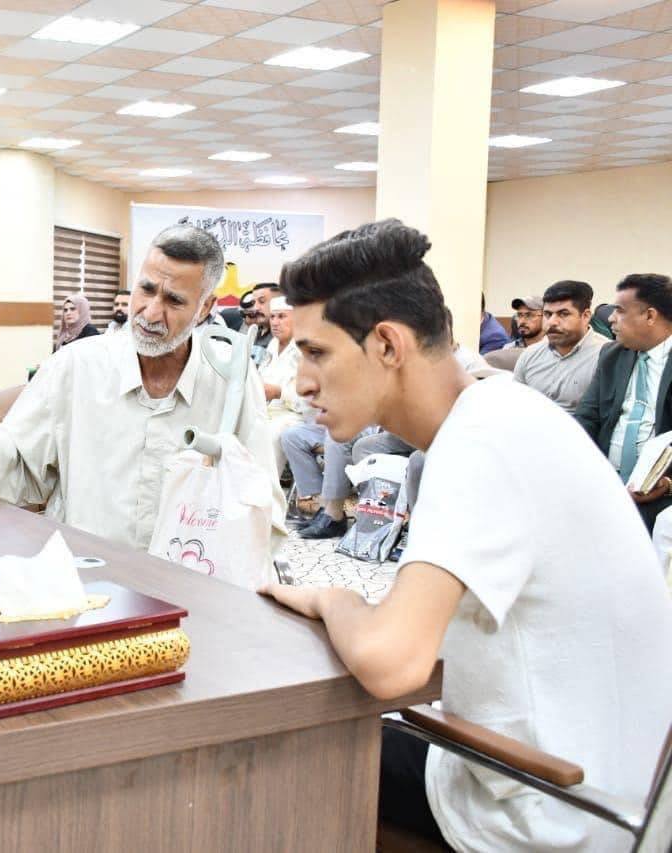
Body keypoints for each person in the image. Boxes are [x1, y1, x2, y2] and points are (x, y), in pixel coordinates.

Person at [259, 219, 672, 852]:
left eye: (316, 353)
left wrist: (332, 598)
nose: (302, 383)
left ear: (388, 344)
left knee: (279, 752)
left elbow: (391, 663)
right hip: (607, 788)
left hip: (560, 813)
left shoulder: (480, 445)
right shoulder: (505, 412)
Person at [0, 224, 286, 553]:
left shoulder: (230, 381)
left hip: (189, 579)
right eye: (146, 289)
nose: (150, 313)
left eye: (174, 300)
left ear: (205, 307)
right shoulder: (75, 365)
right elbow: (23, 474)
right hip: (87, 576)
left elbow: (262, 502)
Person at [576, 273, 672, 530]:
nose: (610, 318)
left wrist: (668, 485)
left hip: (661, 493)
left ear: (650, 316)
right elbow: (587, 417)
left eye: (619, 310)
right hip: (606, 482)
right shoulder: (612, 354)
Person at [512, 280, 606, 414]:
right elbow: (516, 405)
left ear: (585, 316)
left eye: (563, 314)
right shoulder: (530, 354)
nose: (552, 322)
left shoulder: (606, 355)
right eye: (547, 314)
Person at [259, 296, 309, 475]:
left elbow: (311, 402)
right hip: (263, 412)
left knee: (269, 434)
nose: (274, 322)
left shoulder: (306, 350)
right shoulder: (272, 346)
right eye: (272, 317)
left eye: (281, 316)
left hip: (294, 416)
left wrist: (279, 393)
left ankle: (266, 488)